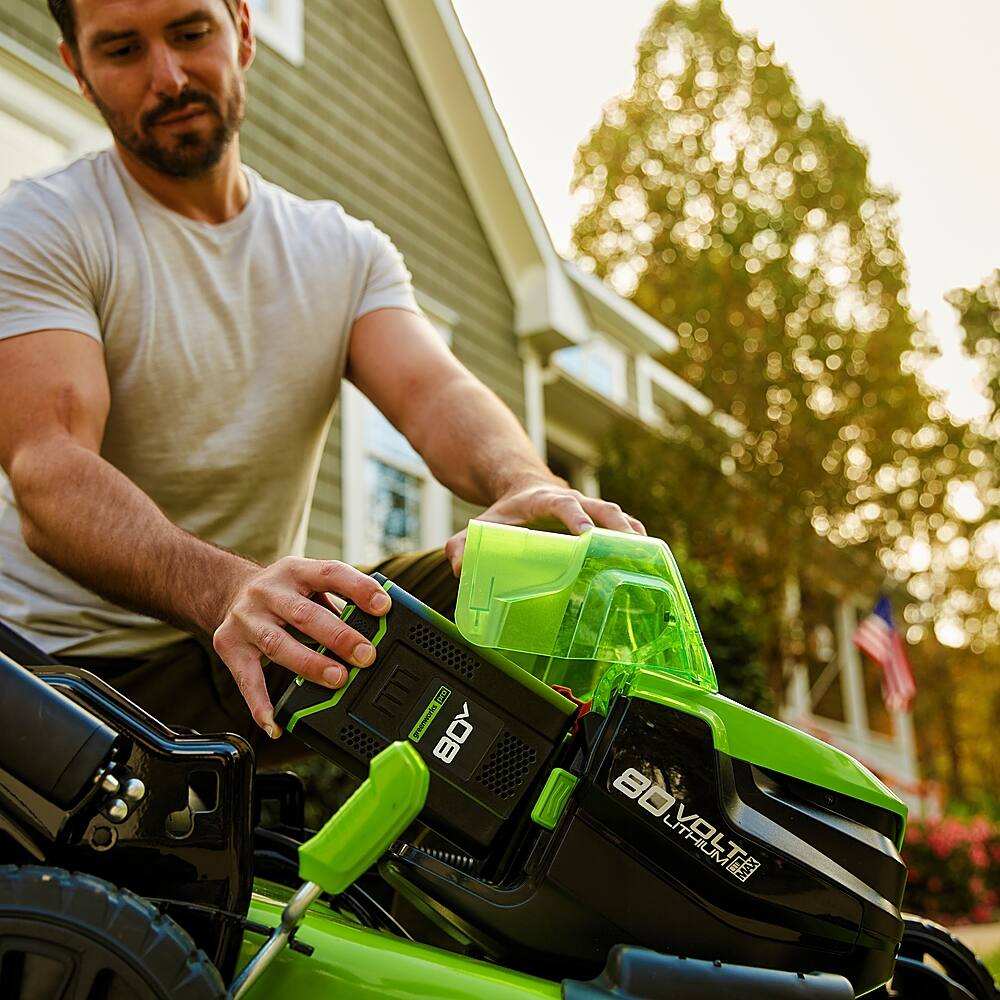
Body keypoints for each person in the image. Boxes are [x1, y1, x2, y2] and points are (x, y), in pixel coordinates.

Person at [0, 0, 643, 760]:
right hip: (68, 674)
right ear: (77, 67)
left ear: (241, 28)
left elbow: (437, 393)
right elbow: (50, 466)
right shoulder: (45, 226)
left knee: (546, 556)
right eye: (122, 50)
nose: (167, 77)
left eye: (189, 32)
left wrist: (527, 483)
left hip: (272, 636)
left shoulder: (343, 252)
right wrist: (229, 591)